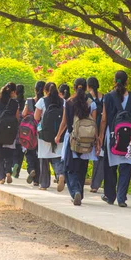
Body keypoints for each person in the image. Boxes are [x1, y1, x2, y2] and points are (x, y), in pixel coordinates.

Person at [98, 71, 131, 207]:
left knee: (110, 167)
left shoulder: (108, 96)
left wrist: (101, 135)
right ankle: (121, 198)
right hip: (129, 137)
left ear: (115, 81)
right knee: (126, 167)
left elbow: (104, 119)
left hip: (112, 135)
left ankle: (110, 196)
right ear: (126, 82)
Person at [56, 78, 98, 206]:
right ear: (86, 88)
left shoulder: (68, 102)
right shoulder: (92, 103)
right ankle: (80, 192)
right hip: (87, 140)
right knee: (82, 168)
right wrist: (96, 139)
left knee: (70, 168)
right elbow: (94, 124)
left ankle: (75, 192)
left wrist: (58, 135)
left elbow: (64, 122)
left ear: (74, 88)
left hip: (72, 139)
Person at [35, 82, 66, 191]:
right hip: (59, 134)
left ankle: (44, 184)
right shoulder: (62, 101)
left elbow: (36, 117)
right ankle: (60, 174)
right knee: (57, 157)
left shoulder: (42, 101)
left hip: (45, 134)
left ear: (45, 90)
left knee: (44, 158)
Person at [21, 81, 45, 186]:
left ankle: (31, 169)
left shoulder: (30, 101)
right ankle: (37, 180)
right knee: (39, 154)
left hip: (30, 132)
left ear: (35, 89)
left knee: (30, 152)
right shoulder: (45, 101)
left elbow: (23, 113)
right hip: (41, 131)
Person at [87, 77, 104, 193]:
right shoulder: (103, 96)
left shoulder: (86, 98)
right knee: (99, 156)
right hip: (101, 126)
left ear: (88, 86)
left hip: (87, 128)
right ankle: (95, 184)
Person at [12, 84, 26, 178]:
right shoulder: (26, 102)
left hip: (14, 129)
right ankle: (17, 169)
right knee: (20, 152)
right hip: (24, 130)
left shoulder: (13, 102)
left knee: (13, 151)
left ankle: (14, 166)